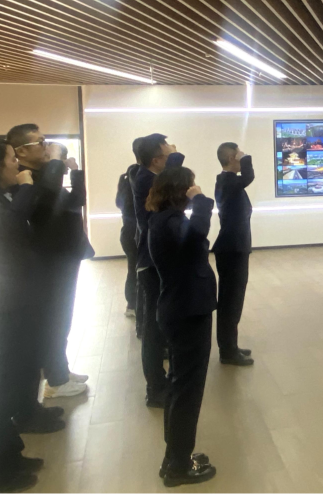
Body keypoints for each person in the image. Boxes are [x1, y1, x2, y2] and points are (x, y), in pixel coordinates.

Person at [0, 139, 65, 492]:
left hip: (11, 304)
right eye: (11, 160)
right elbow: (8, 227)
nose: (17, 166)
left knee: (14, 381)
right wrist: (24, 188)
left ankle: (9, 455)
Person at [7, 125, 92, 402]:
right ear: (21, 152)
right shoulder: (25, 179)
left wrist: (75, 172)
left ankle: (60, 370)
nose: (47, 146)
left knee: (62, 318)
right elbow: (44, 203)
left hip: (64, 255)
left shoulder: (46, 176)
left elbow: (75, 202)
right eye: (40, 142)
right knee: (54, 319)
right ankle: (55, 381)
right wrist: (55, 161)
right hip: (49, 260)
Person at [146, 167, 218, 487]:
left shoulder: (165, 219)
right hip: (187, 312)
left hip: (182, 308)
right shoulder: (170, 222)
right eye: (190, 185)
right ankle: (178, 465)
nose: (194, 188)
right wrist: (200, 201)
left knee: (180, 386)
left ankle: (176, 455)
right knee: (188, 390)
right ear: (180, 190)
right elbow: (195, 238)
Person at [133, 133, 183, 407]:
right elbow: (174, 183)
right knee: (153, 328)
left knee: (160, 323)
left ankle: (161, 382)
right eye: (167, 151)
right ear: (156, 160)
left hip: (158, 259)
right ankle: (155, 388)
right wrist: (176, 157)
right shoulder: (146, 179)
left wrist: (171, 155)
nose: (172, 151)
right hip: (152, 262)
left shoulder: (148, 176)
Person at [213, 142, 254, 366]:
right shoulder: (228, 181)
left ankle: (230, 346)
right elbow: (249, 176)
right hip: (232, 249)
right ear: (231, 158)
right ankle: (228, 351)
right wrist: (245, 157)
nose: (241, 157)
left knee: (233, 300)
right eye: (238, 155)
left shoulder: (227, 181)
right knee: (231, 301)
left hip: (233, 248)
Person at [116, 137, 143, 325]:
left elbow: (119, 202)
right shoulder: (141, 178)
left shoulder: (126, 176)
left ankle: (132, 305)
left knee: (133, 268)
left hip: (127, 231)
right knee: (137, 270)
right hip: (135, 233)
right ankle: (136, 305)